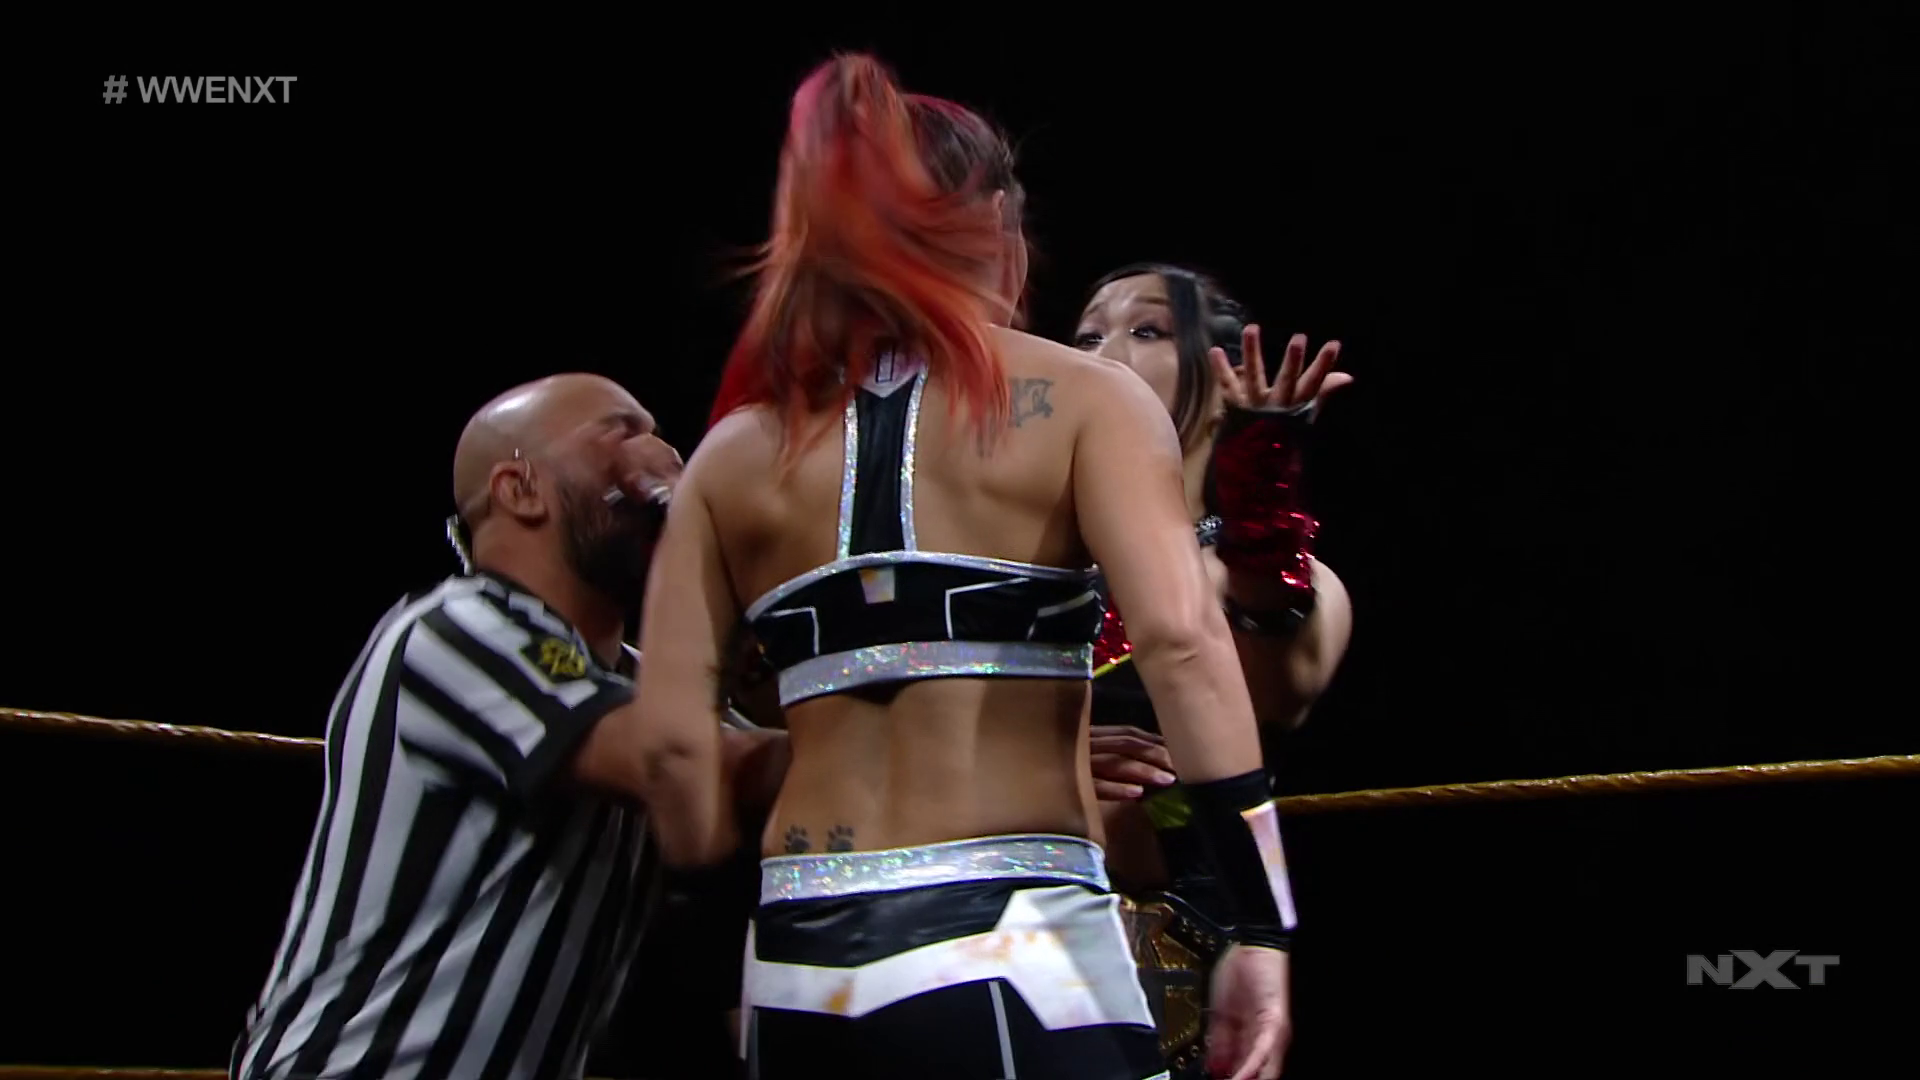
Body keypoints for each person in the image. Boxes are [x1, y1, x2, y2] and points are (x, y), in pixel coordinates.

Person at [635, 54, 1298, 1080]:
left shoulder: (731, 454)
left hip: (795, 961)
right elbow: (1180, 640)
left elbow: (675, 758)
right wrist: (1261, 927)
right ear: (992, 222)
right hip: (1016, 941)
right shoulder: (1083, 401)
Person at [230, 374, 760, 1080]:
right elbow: (681, 759)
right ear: (521, 490)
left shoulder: (636, 680)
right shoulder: (454, 629)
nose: (663, 454)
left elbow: (759, 757)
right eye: (621, 431)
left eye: (658, 433)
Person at [1071, 264, 1355, 1078]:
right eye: (1086, 334)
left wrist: (1261, 505)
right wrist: (1045, 756)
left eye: (1147, 329)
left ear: (1225, 374)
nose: (1101, 352)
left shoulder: (1270, 583)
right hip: (991, 927)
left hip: (1186, 961)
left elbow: (1275, 690)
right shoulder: (1012, 575)